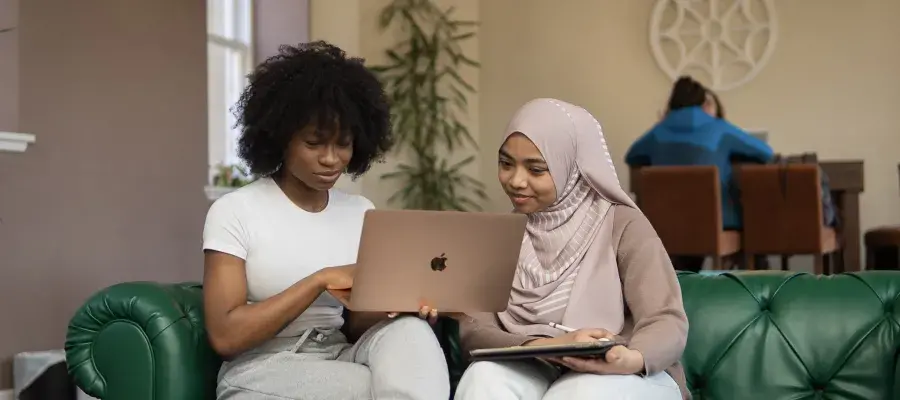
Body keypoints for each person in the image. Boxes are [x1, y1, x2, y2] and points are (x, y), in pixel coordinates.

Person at [201, 41, 450, 400]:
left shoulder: (361, 211)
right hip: (264, 369)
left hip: (340, 355)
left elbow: (358, 325)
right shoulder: (235, 211)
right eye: (315, 143)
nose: (331, 159)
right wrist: (319, 280)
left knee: (410, 333)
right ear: (281, 137)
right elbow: (226, 337)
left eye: (343, 144)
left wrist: (401, 306)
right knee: (371, 387)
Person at [452, 99, 689, 400]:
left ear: (573, 167)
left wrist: (631, 358)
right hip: (533, 363)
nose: (516, 181)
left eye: (536, 169)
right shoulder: (501, 235)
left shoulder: (622, 223)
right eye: (506, 164)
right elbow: (475, 328)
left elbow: (666, 318)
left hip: (624, 369)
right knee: (482, 378)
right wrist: (546, 347)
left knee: (579, 392)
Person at [625, 76, 774, 272]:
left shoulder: (658, 132)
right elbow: (766, 152)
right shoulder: (719, 129)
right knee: (749, 219)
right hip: (717, 224)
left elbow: (632, 156)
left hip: (667, 225)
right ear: (704, 103)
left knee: (687, 237)